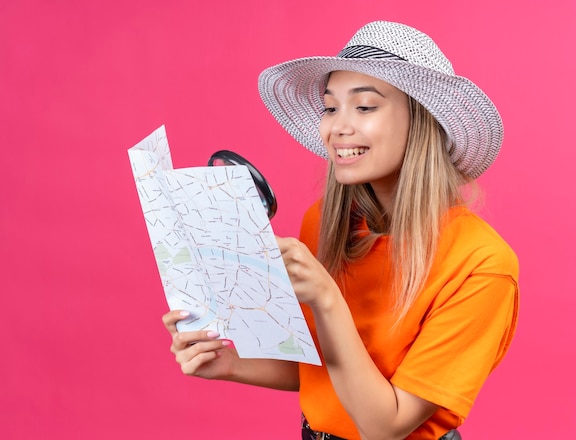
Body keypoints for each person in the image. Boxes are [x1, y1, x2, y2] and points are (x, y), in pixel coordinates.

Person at [162, 20, 519, 440]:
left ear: (422, 122)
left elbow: (386, 426)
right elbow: (326, 366)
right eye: (330, 108)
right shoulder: (325, 223)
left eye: (365, 106)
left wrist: (326, 297)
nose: (337, 127)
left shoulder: (481, 264)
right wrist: (230, 365)